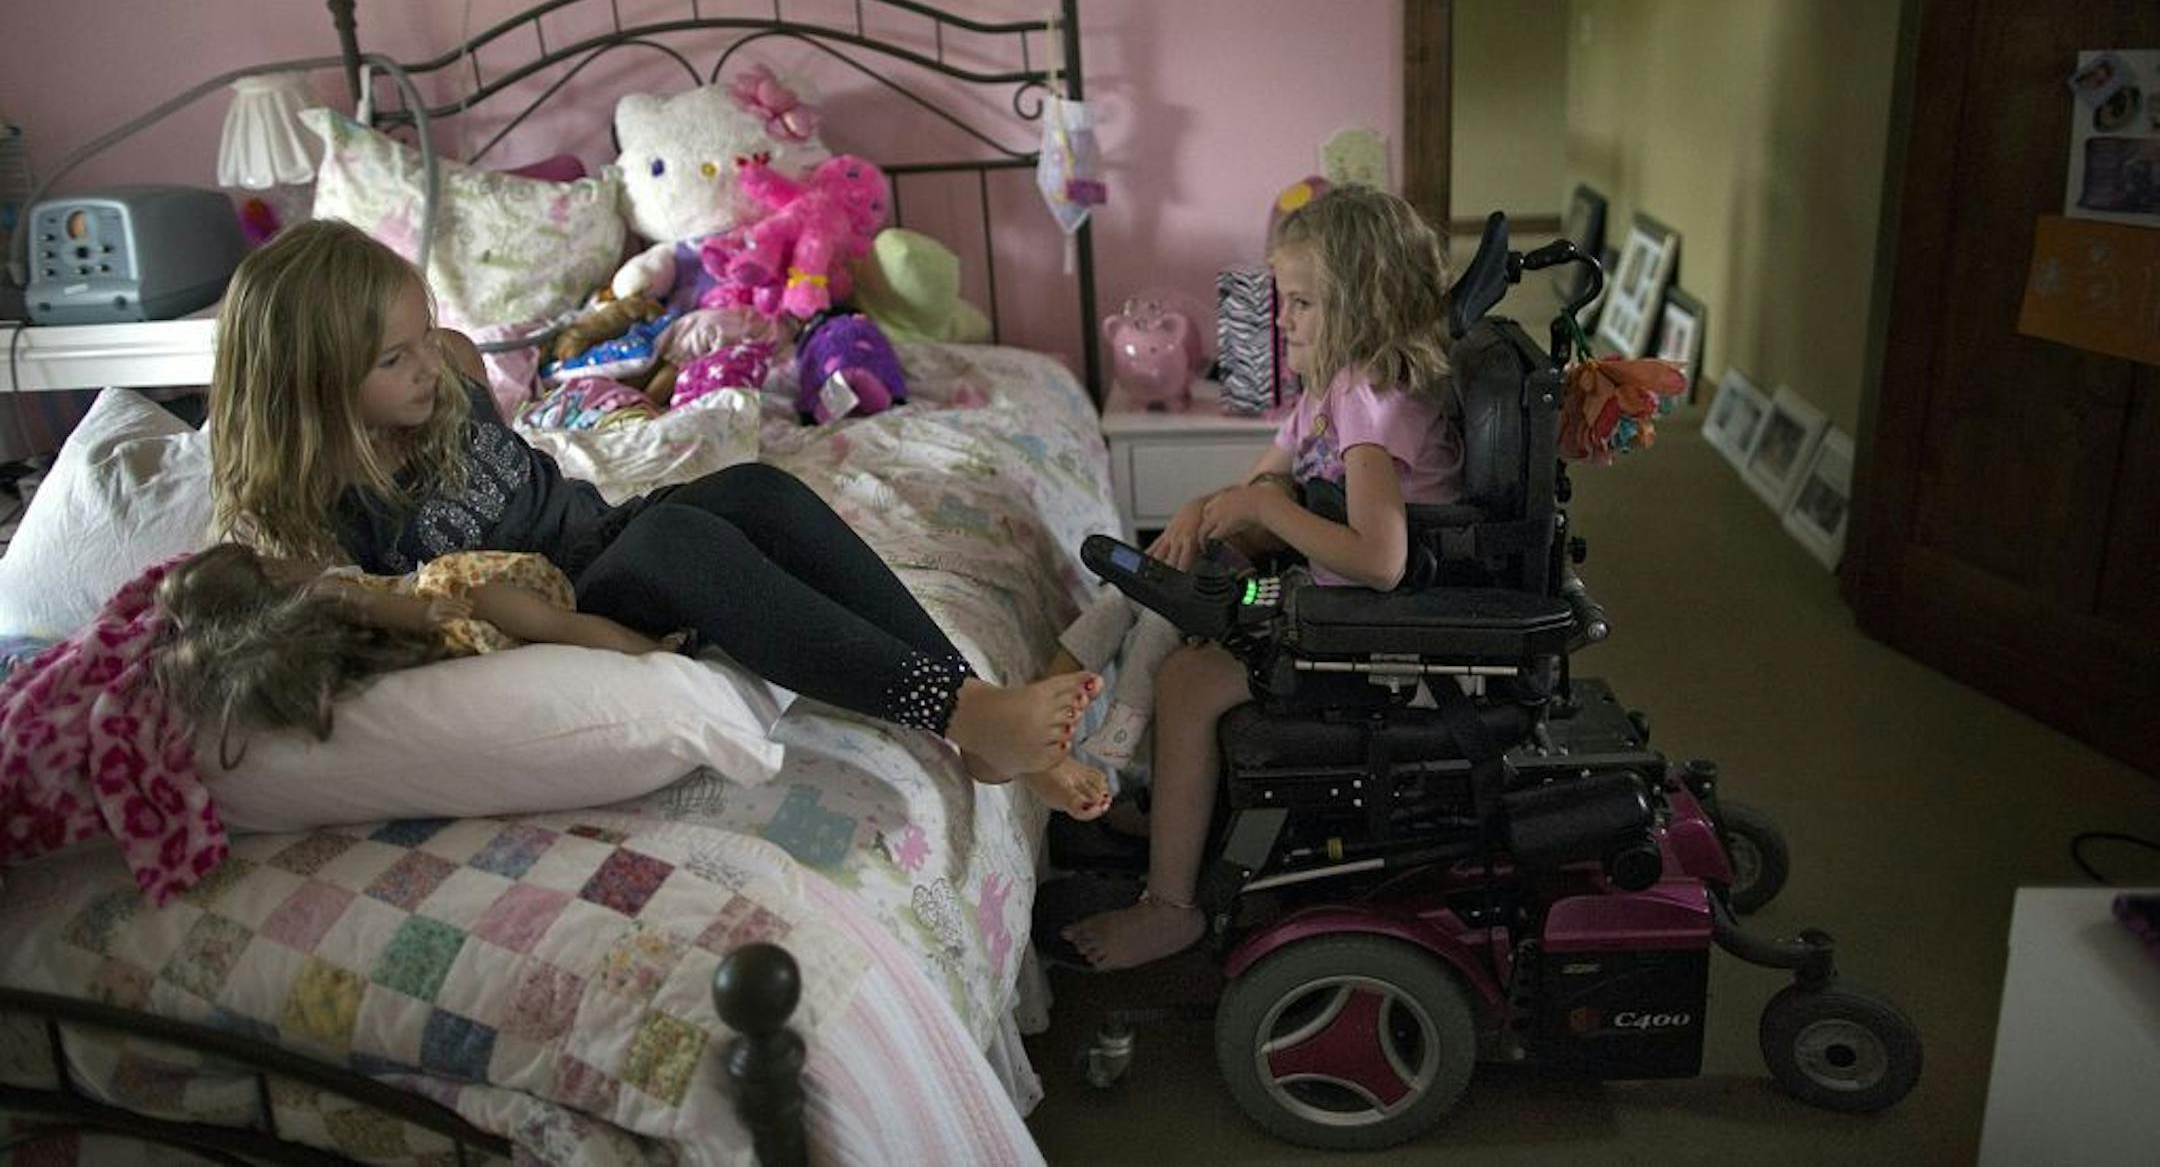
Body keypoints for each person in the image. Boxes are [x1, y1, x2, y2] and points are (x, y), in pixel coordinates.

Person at [207, 220, 1108, 816]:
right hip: (561, 598)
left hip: (603, 527)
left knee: (756, 491)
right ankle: (957, 707)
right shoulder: (317, 509)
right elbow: (311, 599)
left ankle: (978, 716)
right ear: (310, 387)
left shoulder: (450, 370)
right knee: (685, 543)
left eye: (421, 338)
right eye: (390, 359)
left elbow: (477, 377)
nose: (423, 370)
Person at [1061, 184, 1465, 968]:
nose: (1284, 320)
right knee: (1163, 608)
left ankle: (1170, 905)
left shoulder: (1372, 407)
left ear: (1364, 304)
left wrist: (1263, 510)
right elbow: (1260, 481)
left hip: (1383, 638)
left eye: (1305, 303)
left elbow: (1382, 561)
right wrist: (1201, 512)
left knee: (1187, 680)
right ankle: (1167, 800)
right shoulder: (1328, 395)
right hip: (1331, 610)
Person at [153, 542, 675, 769]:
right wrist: (429, 614)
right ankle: (661, 659)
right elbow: (395, 609)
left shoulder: (306, 609)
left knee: (550, 624)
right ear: (269, 581)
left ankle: (650, 648)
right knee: (554, 624)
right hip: (447, 612)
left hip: (436, 622)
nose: (279, 556)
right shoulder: (326, 596)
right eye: (265, 559)